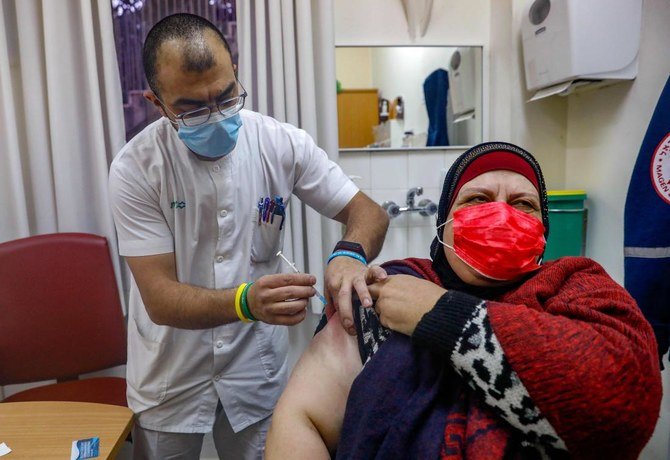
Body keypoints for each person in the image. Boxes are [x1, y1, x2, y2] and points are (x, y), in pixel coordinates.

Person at [265, 141, 662, 459]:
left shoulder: (577, 285)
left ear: (544, 231)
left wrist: (441, 313)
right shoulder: (390, 286)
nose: (501, 214)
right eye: (477, 199)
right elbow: (301, 418)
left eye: (523, 204)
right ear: (444, 223)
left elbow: (625, 404)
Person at [108, 13, 388, 460]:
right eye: (192, 109)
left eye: (225, 97)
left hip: (253, 373)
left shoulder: (280, 143)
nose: (216, 116)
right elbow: (159, 298)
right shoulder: (136, 169)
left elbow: (367, 212)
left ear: (235, 72)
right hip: (171, 377)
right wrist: (245, 302)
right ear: (157, 104)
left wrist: (349, 253)